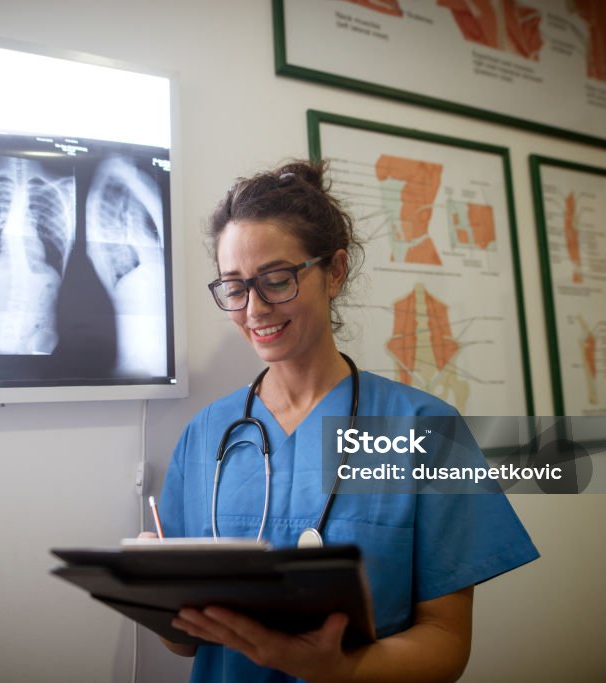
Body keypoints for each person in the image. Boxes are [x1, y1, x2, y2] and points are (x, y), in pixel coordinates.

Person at [155, 160, 538, 682]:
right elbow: (183, 644)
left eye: (277, 279)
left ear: (334, 272)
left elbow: (447, 644)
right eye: (235, 287)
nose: (255, 309)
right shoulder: (206, 435)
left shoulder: (426, 429)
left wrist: (341, 669)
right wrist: (154, 597)